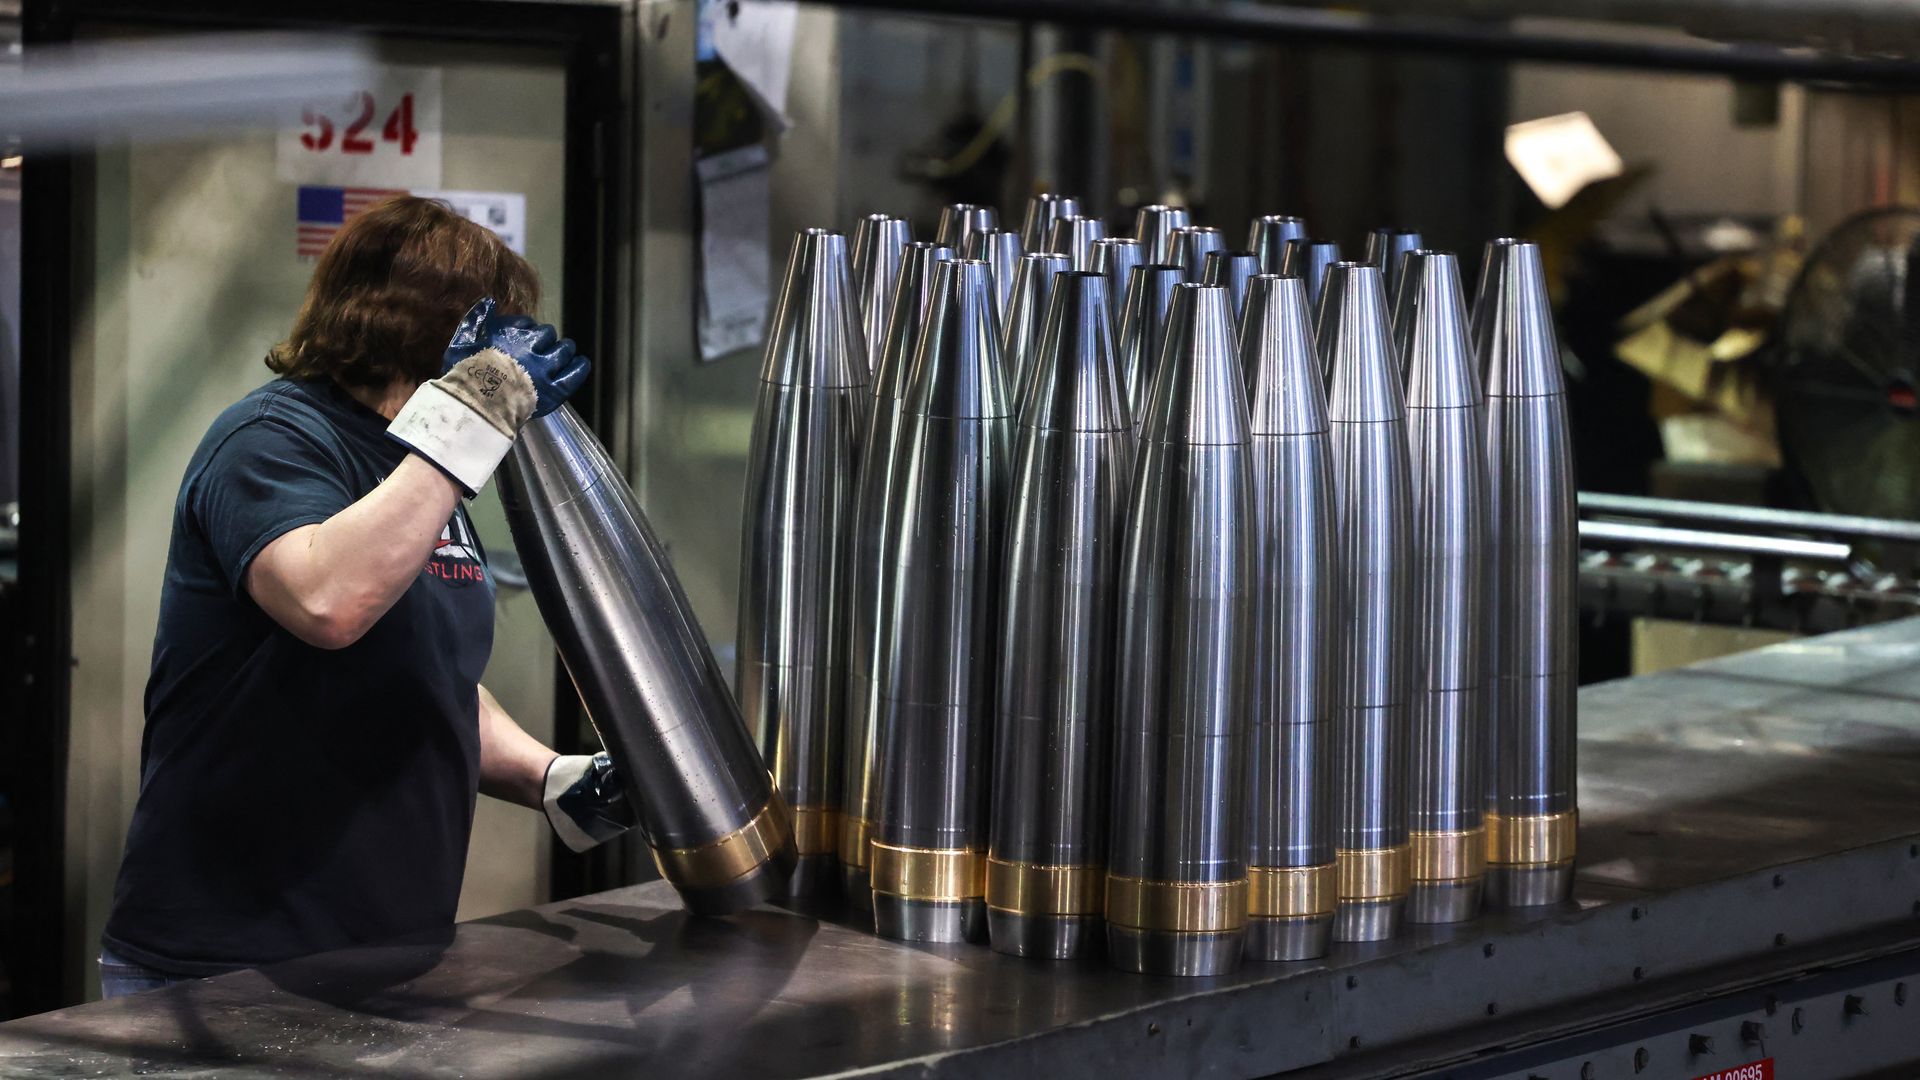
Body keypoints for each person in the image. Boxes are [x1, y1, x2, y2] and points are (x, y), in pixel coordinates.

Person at [98, 196, 633, 999]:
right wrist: (475, 412)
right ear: (427, 327)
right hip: (232, 968)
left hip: (390, 955)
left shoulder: (412, 466)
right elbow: (328, 602)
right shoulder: (270, 441)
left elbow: (422, 664)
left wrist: (552, 778)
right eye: (488, 332)